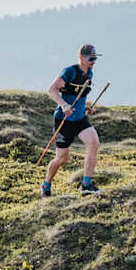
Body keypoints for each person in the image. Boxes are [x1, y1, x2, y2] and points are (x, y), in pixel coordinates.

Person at [43, 44, 102, 196]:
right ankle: (46, 184)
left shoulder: (90, 73)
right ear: (81, 57)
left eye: (95, 58)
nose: (93, 61)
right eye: (91, 58)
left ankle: (86, 184)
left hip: (80, 118)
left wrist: (86, 107)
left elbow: (81, 95)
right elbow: (51, 90)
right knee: (62, 158)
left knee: (94, 142)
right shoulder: (70, 72)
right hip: (64, 119)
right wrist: (63, 105)